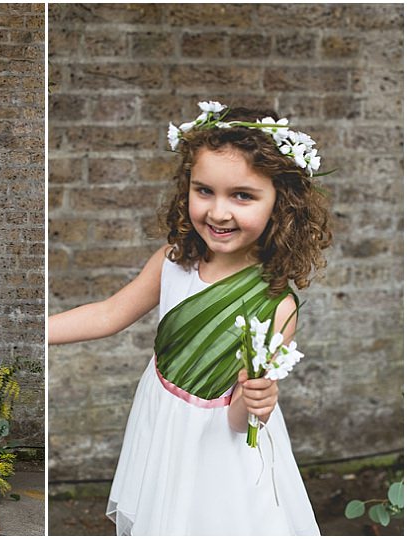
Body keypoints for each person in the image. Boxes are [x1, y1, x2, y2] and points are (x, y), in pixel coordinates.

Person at [48, 101, 332, 535]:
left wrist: (256, 403)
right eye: (204, 191)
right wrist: (38, 332)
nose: (218, 212)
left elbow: (238, 420)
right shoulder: (173, 262)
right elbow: (109, 314)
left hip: (216, 446)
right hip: (161, 420)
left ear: (282, 201)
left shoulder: (277, 305)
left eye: (242, 195)